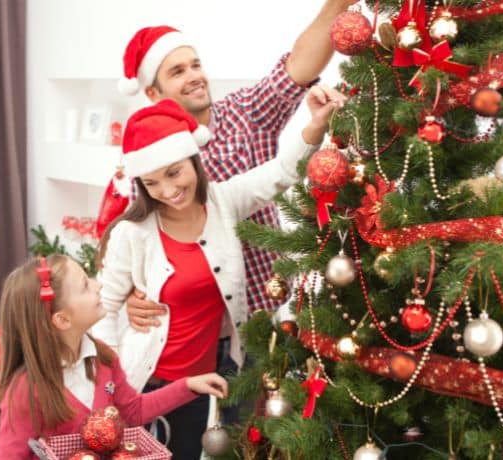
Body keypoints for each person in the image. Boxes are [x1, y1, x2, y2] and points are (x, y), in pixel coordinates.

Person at [93, 93, 340, 459]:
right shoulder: (134, 232)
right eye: (152, 182)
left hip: (202, 382)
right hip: (147, 382)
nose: (168, 190)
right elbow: (105, 310)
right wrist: (111, 389)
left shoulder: (223, 202)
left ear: (193, 159)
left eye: (174, 172)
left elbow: (280, 173)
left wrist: (316, 125)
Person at [108, 1, 355, 326]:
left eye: (195, 65)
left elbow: (297, 69)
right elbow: (136, 238)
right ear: (154, 93)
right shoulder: (149, 156)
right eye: (178, 71)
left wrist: (337, 4)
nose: (195, 77)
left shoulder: (243, 114)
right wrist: (128, 296)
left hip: (265, 309)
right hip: (196, 334)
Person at [0, 254, 228, 459]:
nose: (98, 285)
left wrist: (188, 386)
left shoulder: (102, 358)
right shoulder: (24, 392)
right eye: (85, 285)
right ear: (62, 319)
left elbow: (133, 410)